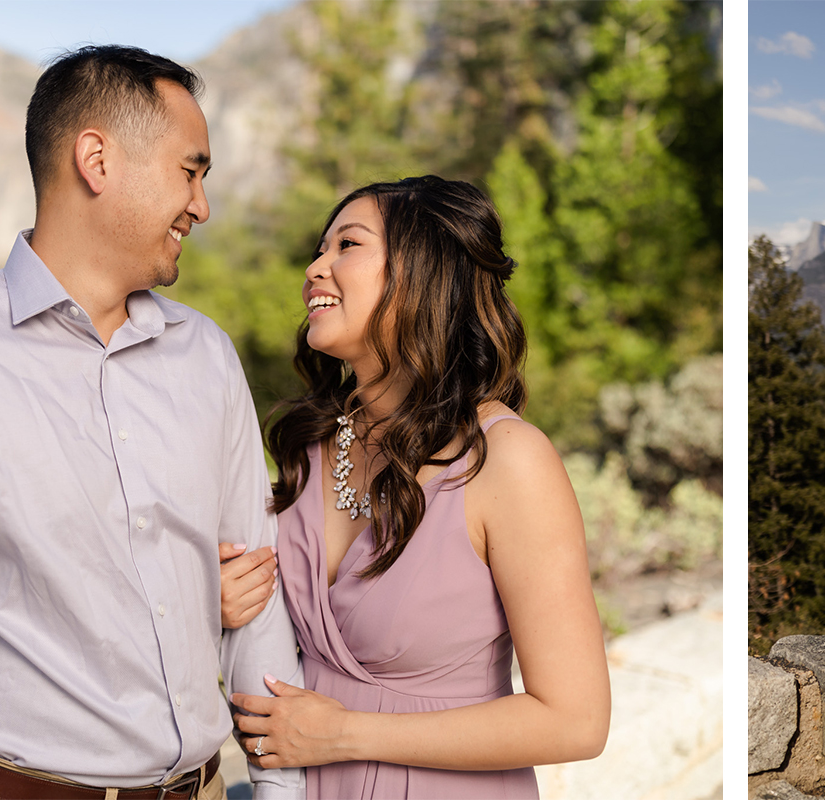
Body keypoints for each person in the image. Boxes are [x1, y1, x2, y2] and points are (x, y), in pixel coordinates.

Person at [0, 46, 303, 800]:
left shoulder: (208, 358)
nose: (202, 205)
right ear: (96, 158)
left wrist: (282, 794)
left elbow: (256, 597)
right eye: (190, 171)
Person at [219, 177, 611, 798]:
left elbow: (576, 721)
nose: (315, 267)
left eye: (347, 244)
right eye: (320, 248)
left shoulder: (507, 461)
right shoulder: (314, 446)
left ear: (424, 273)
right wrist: (224, 601)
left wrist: (344, 735)